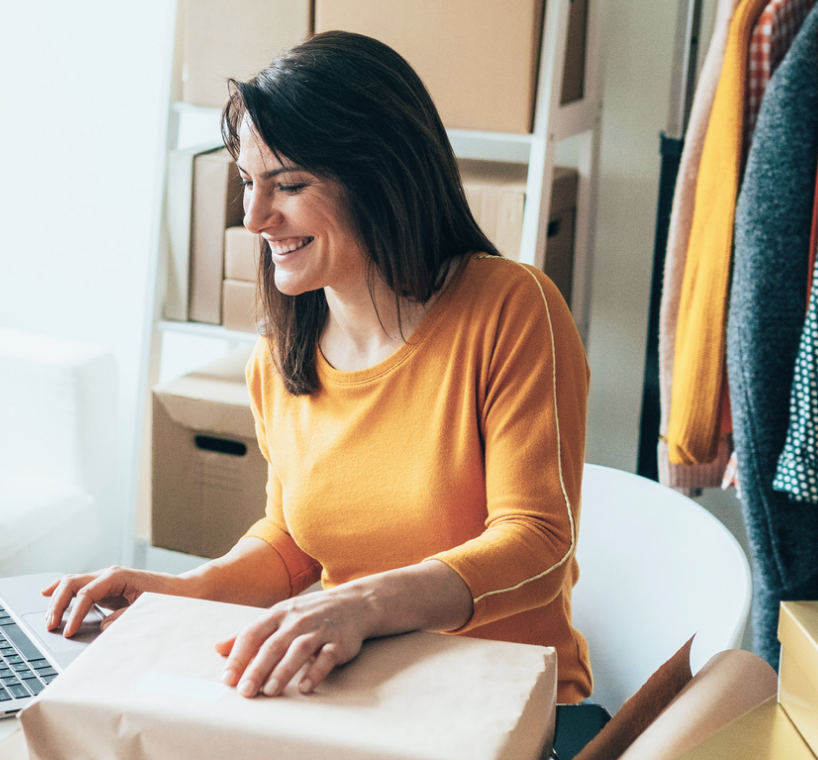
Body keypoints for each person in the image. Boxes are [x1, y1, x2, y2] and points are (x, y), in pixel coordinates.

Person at [44, 30, 592, 704]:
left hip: (503, 706)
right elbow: (293, 543)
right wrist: (180, 593)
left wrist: (360, 606)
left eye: (289, 184)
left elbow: (537, 546)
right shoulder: (279, 356)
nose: (253, 217)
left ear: (382, 175)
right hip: (354, 698)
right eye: (248, 182)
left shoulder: (511, 310)